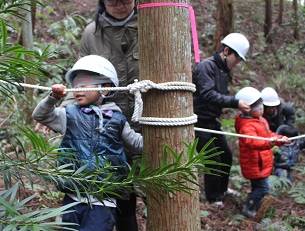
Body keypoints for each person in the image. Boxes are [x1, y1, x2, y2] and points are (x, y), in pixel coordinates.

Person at [32, 55, 143, 231]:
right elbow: (41, 115)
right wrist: (52, 98)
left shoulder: (117, 118)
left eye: (83, 86)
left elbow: (137, 144)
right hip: (73, 196)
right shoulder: (68, 115)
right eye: (75, 86)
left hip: (104, 199)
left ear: (105, 89)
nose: (77, 90)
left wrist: (159, 131)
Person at [79, 1, 139, 230]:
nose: (119, 4)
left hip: (149, 128)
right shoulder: (91, 34)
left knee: (160, 193)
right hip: (108, 131)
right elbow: (81, 79)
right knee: (121, 199)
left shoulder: (152, 24)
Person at [193, 32, 251, 207]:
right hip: (199, 122)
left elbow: (219, 96)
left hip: (212, 121)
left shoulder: (223, 71)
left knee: (226, 155)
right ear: (226, 51)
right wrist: (235, 102)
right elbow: (208, 94)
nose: (237, 63)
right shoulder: (206, 67)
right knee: (213, 159)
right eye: (237, 58)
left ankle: (222, 190)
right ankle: (213, 198)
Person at [235, 87, 289, 218]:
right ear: (247, 109)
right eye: (257, 106)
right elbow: (252, 142)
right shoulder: (247, 126)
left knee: (257, 187)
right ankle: (249, 206)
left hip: (262, 162)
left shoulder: (261, 120)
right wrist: (271, 143)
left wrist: (279, 139)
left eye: (261, 104)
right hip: (255, 164)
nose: (261, 108)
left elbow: (268, 135)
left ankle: (254, 202)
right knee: (263, 188)